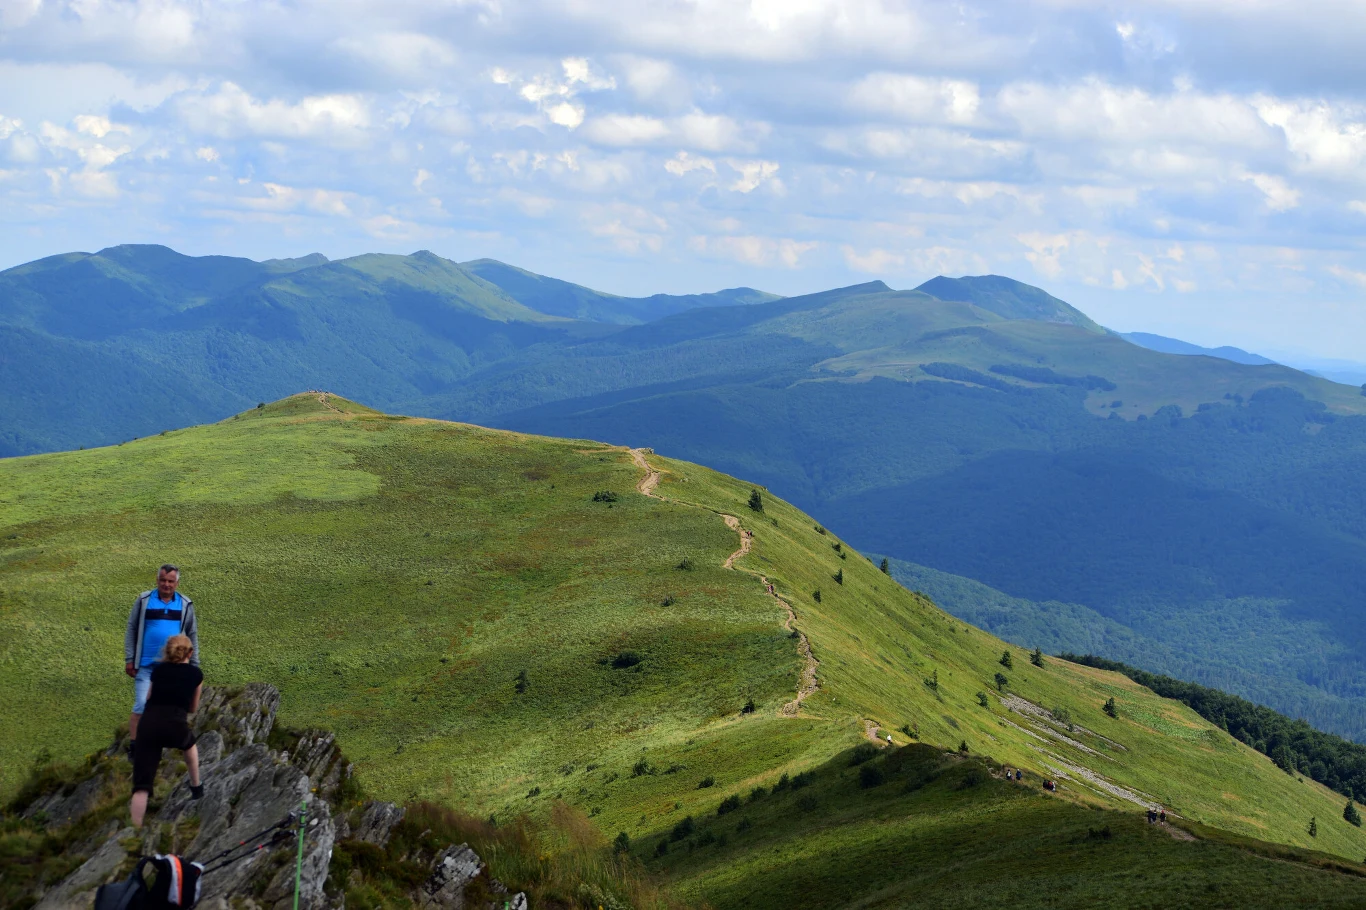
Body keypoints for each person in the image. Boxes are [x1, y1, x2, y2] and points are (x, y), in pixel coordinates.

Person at [130, 634, 204, 827]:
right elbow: (193, 708)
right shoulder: (196, 675)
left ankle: (135, 830)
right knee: (189, 745)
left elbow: (148, 698)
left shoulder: (158, 670)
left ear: (168, 651)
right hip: (174, 724)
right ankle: (196, 786)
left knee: (141, 787)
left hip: (148, 725)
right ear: (190, 653)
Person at [125, 565, 198, 755]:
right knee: (142, 705)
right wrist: (130, 658)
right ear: (157, 580)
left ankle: (161, 745)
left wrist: (194, 664)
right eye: (163, 580)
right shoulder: (144, 600)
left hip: (172, 668)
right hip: (146, 666)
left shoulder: (185, 604)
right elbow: (132, 628)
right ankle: (135, 747)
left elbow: (192, 634)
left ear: (177, 583)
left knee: (169, 709)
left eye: (170, 581)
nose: (166, 584)